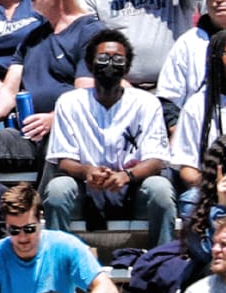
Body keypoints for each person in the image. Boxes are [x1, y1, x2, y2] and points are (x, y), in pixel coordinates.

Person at [43, 28, 177, 246]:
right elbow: (64, 161)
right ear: (90, 64)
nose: (110, 64)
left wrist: (127, 176)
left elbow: (156, 159)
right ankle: (58, 266)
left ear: (127, 67)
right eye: (103, 58)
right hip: (85, 191)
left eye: (118, 59)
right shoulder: (69, 102)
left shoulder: (147, 102)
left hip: (134, 190)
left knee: (160, 189)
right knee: (58, 190)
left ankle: (162, 264)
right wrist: (88, 171)